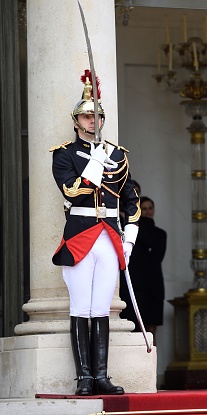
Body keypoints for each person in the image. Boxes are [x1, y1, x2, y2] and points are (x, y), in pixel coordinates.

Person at [50, 70, 140, 396]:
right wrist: (95, 164)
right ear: (76, 121)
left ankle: (101, 376)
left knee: (101, 307)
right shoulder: (64, 154)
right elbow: (71, 192)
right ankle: (83, 378)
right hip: (81, 234)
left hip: (110, 235)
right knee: (81, 308)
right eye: (87, 116)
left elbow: (130, 199)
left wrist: (129, 238)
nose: (93, 121)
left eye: (97, 116)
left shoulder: (118, 153)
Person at [120, 196, 167, 346]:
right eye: (144, 208)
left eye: (150, 208)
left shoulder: (160, 233)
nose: (147, 212)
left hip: (154, 287)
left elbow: (156, 256)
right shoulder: (130, 230)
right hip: (137, 286)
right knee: (136, 328)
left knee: (152, 328)